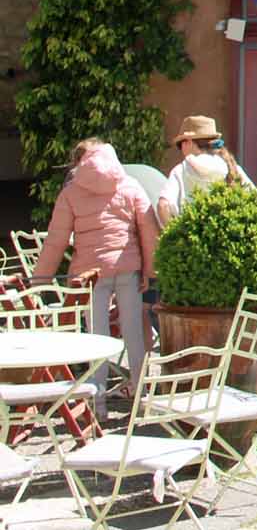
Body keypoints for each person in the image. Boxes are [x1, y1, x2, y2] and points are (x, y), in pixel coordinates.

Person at [32, 140, 160, 408]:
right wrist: (150, 270)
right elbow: (149, 232)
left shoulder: (71, 192)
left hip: (91, 274)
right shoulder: (130, 184)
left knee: (97, 339)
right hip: (128, 269)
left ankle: (97, 403)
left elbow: (56, 241)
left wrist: (38, 281)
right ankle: (140, 398)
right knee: (134, 333)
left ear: (79, 161)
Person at [156, 114, 247, 225]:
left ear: (188, 142)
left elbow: (163, 206)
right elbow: (255, 197)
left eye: (180, 144)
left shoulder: (181, 170)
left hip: (191, 239)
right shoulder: (233, 168)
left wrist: (174, 235)